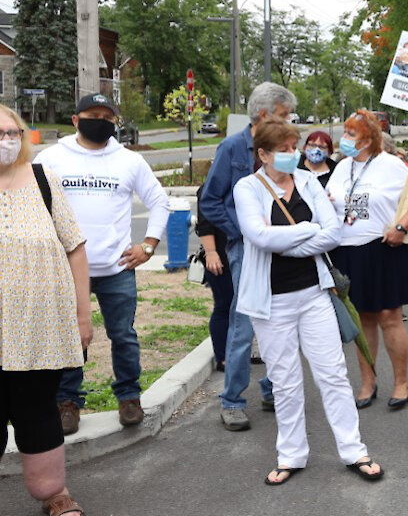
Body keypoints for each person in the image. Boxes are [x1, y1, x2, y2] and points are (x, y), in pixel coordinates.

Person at [232, 119, 384, 486]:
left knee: (332, 374)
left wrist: (289, 240)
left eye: (292, 147)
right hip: (271, 302)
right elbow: (258, 236)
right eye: (282, 149)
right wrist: (306, 231)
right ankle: (291, 455)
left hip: (314, 294)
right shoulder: (247, 188)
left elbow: (333, 234)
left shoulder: (308, 181)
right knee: (284, 381)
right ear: (263, 154)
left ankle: (353, 450)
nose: (292, 154)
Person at [35, 93, 169, 435]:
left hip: (116, 268)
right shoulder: (51, 158)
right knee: (69, 338)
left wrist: (149, 246)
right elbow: (31, 205)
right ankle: (67, 403)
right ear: (76, 119)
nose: (102, 121)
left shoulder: (128, 161)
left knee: (123, 336)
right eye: (93, 114)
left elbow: (159, 201)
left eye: (108, 117)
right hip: (65, 270)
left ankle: (129, 398)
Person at [0, 105, 93, 516]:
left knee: (37, 408)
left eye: (12, 132)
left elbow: (74, 247)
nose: (6, 141)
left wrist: (82, 315)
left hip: (40, 330)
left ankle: (54, 493)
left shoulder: (42, 180)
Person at [200, 82, 295, 431]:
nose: (289, 120)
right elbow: (209, 200)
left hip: (283, 245)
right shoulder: (232, 147)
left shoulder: (283, 150)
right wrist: (240, 232)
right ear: (265, 114)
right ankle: (232, 401)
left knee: (281, 318)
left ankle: (271, 388)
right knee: (244, 323)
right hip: (246, 249)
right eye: (284, 114)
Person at [328, 109, 408, 412]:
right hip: (348, 251)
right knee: (363, 320)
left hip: (385, 249)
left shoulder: (392, 165)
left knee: (389, 317)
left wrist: (401, 227)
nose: (345, 139)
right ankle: (367, 381)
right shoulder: (342, 168)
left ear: (369, 138)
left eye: (352, 134)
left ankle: (401, 383)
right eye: (345, 133)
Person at [196, 183, 233, 372]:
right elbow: (204, 225)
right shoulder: (210, 188)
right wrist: (211, 253)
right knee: (224, 306)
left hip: (239, 256)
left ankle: (237, 352)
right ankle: (223, 357)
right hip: (219, 258)